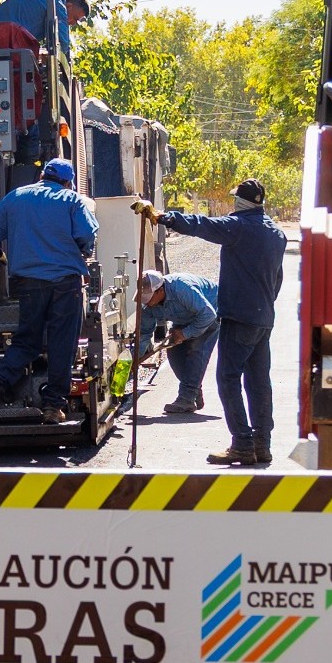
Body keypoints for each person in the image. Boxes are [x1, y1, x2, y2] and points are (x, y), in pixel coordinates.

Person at [136, 179, 286, 465]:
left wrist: (164, 217)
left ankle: (242, 443)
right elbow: (277, 279)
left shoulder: (238, 227)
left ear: (239, 202)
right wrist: (264, 306)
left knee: (228, 378)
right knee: (258, 382)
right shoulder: (276, 234)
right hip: (263, 319)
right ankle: (262, 444)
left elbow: (201, 225)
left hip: (238, 317)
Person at [0, 157, 98, 423]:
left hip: (28, 283)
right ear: (67, 182)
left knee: (27, 341)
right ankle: (53, 407)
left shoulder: (15, 197)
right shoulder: (71, 200)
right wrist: (82, 250)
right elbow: (87, 236)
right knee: (61, 343)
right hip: (65, 283)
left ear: (42, 176)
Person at [135, 269, 221, 414]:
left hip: (209, 314)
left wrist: (185, 333)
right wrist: (135, 357)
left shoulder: (181, 288)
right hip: (185, 317)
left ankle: (187, 398)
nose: (147, 302)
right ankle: (193, 387)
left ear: (160, 290)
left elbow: (208, 314)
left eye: (149, 298)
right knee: (174, 353)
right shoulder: (148, 307)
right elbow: (144, 334)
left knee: (196, 349)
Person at [0, 0, 89, 54]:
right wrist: (67, 62)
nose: (72, 24)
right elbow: (63, 44)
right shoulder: (58, 5)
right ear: (68, 6)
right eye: (75, 18)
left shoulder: (46, 0)